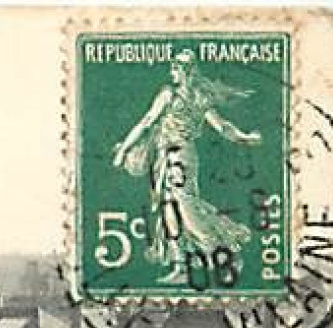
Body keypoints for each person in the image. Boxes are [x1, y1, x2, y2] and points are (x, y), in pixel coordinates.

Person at [111, 50, 264, 285]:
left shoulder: (173, 95)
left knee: (184, 205)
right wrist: (244, 137)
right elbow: (222, 127)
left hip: (178, 156)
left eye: (176, 68)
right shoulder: (197, 97)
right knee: (168, 207)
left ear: (187, 71)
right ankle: (180, 264)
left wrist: (123, 150)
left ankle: (220, 252)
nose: (172, 72)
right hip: (168, 155)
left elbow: (147, 122)